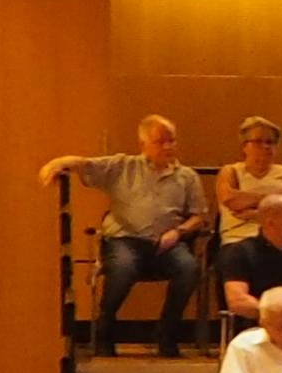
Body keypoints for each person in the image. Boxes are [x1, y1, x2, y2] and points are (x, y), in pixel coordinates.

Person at [49, 117, 215, 359]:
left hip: (167, 242)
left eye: (172, 141)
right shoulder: (124, 166)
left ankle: (167, 334)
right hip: (125, 239)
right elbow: (86, 165)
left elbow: (199, 216)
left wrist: (179, 232)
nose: (168, 147)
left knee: (189, 268)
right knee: (123, 268)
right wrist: (58, 163)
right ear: (144, 145)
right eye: (161, 142)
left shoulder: (187, 177)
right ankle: (105, 330)